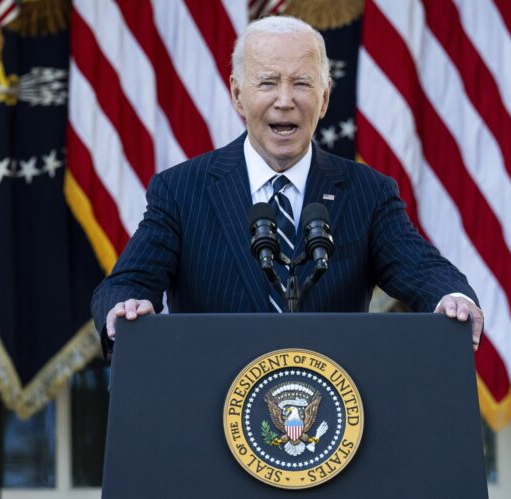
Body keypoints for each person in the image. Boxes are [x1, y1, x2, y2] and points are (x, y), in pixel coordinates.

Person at [91, 16, 484, 356]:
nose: (285, 100)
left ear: (325, 98)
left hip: (332, 417)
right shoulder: (180, 190)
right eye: (267, 83)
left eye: (301, 83)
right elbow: (129, 282)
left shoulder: (369, 191)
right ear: (237, 95)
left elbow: (421, 268)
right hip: (214, 413)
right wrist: (125, 308)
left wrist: (453, 299)